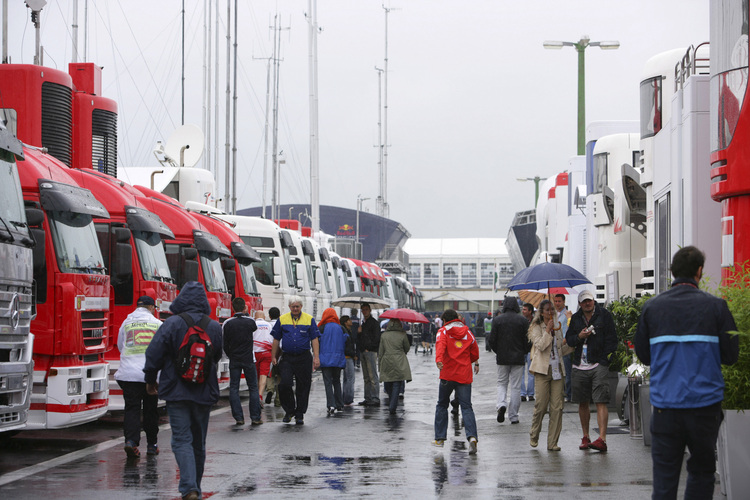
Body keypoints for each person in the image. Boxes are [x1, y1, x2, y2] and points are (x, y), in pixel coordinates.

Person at [635, 246, 739, 499]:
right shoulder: (717, 307)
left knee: (664, 480)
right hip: (704, 408)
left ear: (671, 272)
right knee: (702, 473)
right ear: (699, 271)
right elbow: (731, 356)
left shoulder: (652, 308)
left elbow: (644, 356)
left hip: (664, 408)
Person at [144, 281, 223, 500]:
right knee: (199, 441)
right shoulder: (214, 326)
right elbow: (216, 357)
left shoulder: (172, 323)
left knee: (181, 439)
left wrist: (151, 379)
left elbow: (154, 353)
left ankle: (189, 488)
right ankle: (194, 486)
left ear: (181, 300)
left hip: (176, 390)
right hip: (204, 391)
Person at [565, 289, 618, 452]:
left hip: (598, 364)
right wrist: (580, 336)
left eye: (590, 300)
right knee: (583, 402)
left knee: (601, 400)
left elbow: (612, 339)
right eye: (584, 301)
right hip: (579, 364)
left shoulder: (604, 315)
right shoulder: (575, 318)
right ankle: (586, 436)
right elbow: (569, 340)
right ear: (580, 304)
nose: (588, 303)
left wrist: (605, 360)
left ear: (593, 300)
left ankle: (602, 439)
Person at [115, 295, 163, 458]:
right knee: (150, 410)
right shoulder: (157, 324)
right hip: (149, 374)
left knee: (132, 409)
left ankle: (131, 442)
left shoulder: (126, 323)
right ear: (151, 308)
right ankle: (152, 444)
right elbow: (162, 349)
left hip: (128, 374)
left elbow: (120, 345)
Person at [528, 300, 574, 451]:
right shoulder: (536, 327)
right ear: (541, 312)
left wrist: (575, 342)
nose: (550, 312)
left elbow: (561, 349)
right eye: (547, 310)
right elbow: (540, 345)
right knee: (541, 406)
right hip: (542, 370)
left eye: (552, 310)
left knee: (557, 407)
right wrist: (548, 331)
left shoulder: (558, 326)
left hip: (557, 370)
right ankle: (534, 434)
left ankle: (552, 442)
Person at [433, 309, 480, 454]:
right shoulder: (468, 332)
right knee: (466, 407)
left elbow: (440, 346)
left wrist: (439, 360)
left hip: (447, 374)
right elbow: (475, 352)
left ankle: (440, 438)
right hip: (464, 375)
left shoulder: (443, 331)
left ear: (445, 320)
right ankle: (472, 437)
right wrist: (470, 361)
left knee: (442, 404)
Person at [271, 296, 321, 425]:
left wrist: (316, 357)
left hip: (304, 358)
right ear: (289, 307)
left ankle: (299, 414)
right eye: (293, 306)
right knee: (284, 384)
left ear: (301, 307)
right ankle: (289, 410)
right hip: (287, 358)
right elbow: (276, 339)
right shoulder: (282, 319)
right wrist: (273, 356)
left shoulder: (309, 319)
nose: (295, 309)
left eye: (297, 306)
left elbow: (314, 339)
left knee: (303, 386)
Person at [488, 296, 531, 424]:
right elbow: (528, 340)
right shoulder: (523, 320)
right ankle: (513, 416)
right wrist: (524, 351)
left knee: (502, 383)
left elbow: (492, 340)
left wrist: (498, 351)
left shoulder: (497, 320)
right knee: (516, 387)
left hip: (502, 357)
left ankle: (501, 404)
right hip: (518, 357)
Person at [222, 297, 261, 426]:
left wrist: (230, 355)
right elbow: (254, 327)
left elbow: (225, 343)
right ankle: (255, 417)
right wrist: (246, 313)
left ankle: (239, 417)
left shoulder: (228, 323)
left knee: (234, 387)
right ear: (245, 307)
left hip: (235, 359)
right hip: (248, 359)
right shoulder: (250, 322)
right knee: (253, 387)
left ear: (232, 308)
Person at [378, 319, 412, 415]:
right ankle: (392, 407)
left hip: (387, 360)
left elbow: (381, 351)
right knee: (397, 383)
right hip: (399, 360)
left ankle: (391, 400)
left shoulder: (384, 335)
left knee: (388, 382)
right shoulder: (402, 335)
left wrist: (379, 364)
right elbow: (407, 348)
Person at [318, 308, 347, 414]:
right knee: (337, 381)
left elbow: (317, 342)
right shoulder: (341, 328)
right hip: (338, 359)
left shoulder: (321, 327)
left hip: (325, 358)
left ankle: (331, 404)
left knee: (328, 382)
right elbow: (346, 341)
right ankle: (340, 404)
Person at [357, 303, 381, 406]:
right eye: (363, 310)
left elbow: (377, 339)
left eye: (366, 309)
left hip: (370, 352)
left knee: (372, 376)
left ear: (370, 310)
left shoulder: (374, 323)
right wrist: (359, 333)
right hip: (363, 352)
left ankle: (375, 398)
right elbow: (360, 339)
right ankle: (368, 397)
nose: (364, 311)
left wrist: (369, 348)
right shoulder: (363, 324)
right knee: (366, 377)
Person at [554, 294, 573, 401]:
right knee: (558, 371)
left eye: (559, 301)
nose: (557, 303)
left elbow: (570, 328)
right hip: (555, 346)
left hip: (565, 346)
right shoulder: (553, 314)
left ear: (564, 302)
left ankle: (568, 394)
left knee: (566, 371)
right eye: (555, 301)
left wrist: (565, 341)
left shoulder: (567, 314)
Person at [253, 310, 274, 406]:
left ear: (255, 317)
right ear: (264, 317)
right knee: (263, 375)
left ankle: (255, 396)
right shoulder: (269, 325)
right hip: (266, 353)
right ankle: (260, 395)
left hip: (254, 353)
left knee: (256, 375)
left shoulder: (252, 324)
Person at [265, 307, 282, 407]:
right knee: (280, 376)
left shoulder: (267, 325)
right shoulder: (281, 324)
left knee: (269, 374)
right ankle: (278, 400)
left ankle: (270, 390)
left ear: (269, 316)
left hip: (269, 352)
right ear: (279, 315)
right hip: (279, 353)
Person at [520, 303, 536, 402]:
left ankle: (530, 394)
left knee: (531, 373)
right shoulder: (520, 321)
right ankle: (522, 394)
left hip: (531, 350)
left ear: (530, 311)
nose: (523, 311)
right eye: (523, 309)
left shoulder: (535, 322)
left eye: (525, 309)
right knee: (520, 374)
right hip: (521, 350)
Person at [340, 315, 357, 405]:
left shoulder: (347, 330)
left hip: (346, 357)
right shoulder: (345, 332)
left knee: (346, 378)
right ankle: (348, 398)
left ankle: (345, 397)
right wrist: (353, 354)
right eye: (349, 320)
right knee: (350, 378)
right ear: (346, 322)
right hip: (348, 357)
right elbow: (347, 346)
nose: (351, 321)